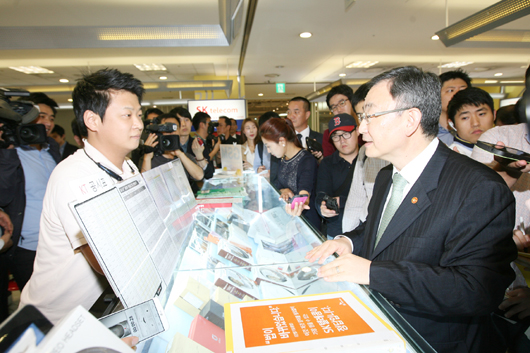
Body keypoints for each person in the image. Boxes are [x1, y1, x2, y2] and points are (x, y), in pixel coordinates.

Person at [306, 66, 516, 353]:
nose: (362, 128)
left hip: (431, 341)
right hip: (382, 328)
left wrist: (373, 273)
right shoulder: (385, 175)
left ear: (410, 120)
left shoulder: (478, 187)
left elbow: (475, 289)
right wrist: (347, 241)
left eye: (370, 116)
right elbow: (382, 228)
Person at [20, 68, 145, 324]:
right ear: (92, 120)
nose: (138, 124)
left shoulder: (128, 167)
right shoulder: (74, 177)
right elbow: (107, 263)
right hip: (51, 320)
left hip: (93, 308)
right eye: (127, 115)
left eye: (139, 114)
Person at [315, 113, 388, 239]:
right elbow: (321, 193)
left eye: (346, 133)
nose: (342, 140)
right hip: (337, 230)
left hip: (368, 229)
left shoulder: (372, 158)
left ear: (357, 131)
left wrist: (342, 201)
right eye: (336, 136)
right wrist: (322, 207)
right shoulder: (327, 163)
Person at [260, 118, 319, 229]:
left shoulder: (307, 160)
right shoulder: (280, 159)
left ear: (282, 141)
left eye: (268, 146)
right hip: (286, 220)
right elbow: (276, 183)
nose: (268, 151)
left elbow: (304, 193)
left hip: (306, 223)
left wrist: (299, 203)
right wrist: (284, 190)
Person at [141, 113, 203, 185]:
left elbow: (199, 176)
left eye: (174, 128)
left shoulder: (185, 156)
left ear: (179, 131)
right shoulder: (150, 158)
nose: (171, 132)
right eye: (166, 128)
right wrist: (147, 157)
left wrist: (179, 154)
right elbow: (144, 186)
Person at [447, 87, 496, 156]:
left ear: (494, 115)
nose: (475, 123)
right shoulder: (452, 157)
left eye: (481, 114)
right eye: (465, 118)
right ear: (452, 124)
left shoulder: (509, 146)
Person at [437, 69, 471, 146]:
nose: (458, 94)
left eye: (463, 90)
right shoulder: (425, 132)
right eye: (450, 90)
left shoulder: (477, 130)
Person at [287, 96, 323, 161]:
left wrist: (320, 158)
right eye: (289, 112)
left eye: (296, 112)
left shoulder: (321, 139)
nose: (291, 116)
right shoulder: (283, 139)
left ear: (307, 115)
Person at [323, 85, 355, 157]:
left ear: (352, 102)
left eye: (342, 103)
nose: (339, 110)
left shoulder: (365, 128)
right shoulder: (328, 134)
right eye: (334, 107)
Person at [253, 111, 281, 185]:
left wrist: (272, 173)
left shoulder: (284, 145)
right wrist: (259, 170)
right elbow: (256, 166)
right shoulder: (260, 146)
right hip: (266, 184)